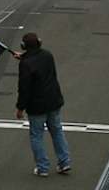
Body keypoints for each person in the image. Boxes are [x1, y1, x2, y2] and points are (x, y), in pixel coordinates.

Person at [14, 33, 71, 177]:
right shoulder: (47, 55)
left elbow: (24, 88)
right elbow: (37, 64)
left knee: (36, 136)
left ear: (24, 46)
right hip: (53, 101)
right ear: (39, 43)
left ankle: (43, 167)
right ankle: (64, 162)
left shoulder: (25, 64)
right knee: (57, 131)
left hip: (37, 106)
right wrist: (25, 57)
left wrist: (20, 108)